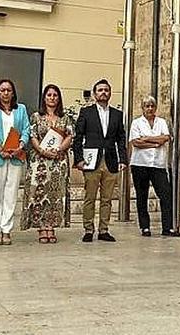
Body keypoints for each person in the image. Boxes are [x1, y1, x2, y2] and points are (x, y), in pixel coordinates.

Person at [73, 79, 127, 243]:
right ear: (95, 93)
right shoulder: (86, 112)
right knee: (90, 197)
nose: (103, 92)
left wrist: (123, 159)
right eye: (100, 90)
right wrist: (79, 159)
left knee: (107, 198)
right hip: (91, 160)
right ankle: (88, 229)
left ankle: (104, 229)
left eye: (106, 90)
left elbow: (121, 138)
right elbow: (78, 137)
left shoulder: (117, 114)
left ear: (110, 93)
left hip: (110, 160)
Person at [22, 84, 74, 244]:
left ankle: (51, 226)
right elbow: (32, 136)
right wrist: (43, 151)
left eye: (55, 95)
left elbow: (70, 135)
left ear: (59, 98)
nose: (52, 98)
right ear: (44, 98)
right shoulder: (36, 117)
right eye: (49, 95)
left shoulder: (65, 117)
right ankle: (41, 227)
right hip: (40, 161)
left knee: (55, 195)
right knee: (39, 193)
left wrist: (58, 149)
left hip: (59, 161)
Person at [0, 79, 31, 246]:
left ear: (13, 93)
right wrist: (0, 148)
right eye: (2, 90)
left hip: (16, 156)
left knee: (11, 194)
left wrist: (20, 146)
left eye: (8, 90)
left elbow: (26, 129)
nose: (5, 93)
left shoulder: (21, 109)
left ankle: (7, 228)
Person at [128, 96, 179, 237]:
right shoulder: (136, 122)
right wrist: (155, 143)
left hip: (158, 164)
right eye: (147, 106)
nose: (150, 108)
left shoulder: (161, 122)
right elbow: (136, 142)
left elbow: (166, 138)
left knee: (165, 194)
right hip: (140, 163)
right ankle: (145, 227)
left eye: (152, 106)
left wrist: (146, 138)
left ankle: (167, 227)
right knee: (142, 195)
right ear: (142, 108)